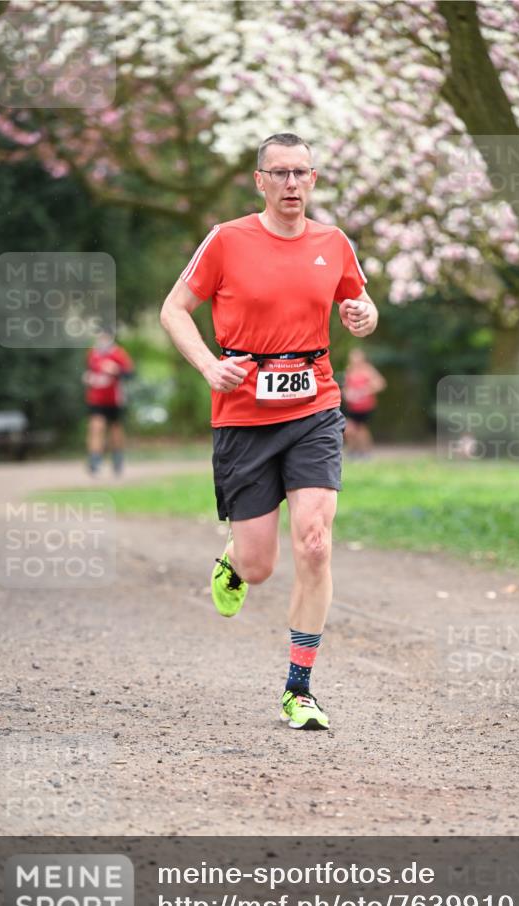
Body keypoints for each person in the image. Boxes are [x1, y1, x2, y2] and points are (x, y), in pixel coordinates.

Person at [160, 132, 377, 731]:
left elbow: (361, 305)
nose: (291, 183)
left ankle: (298, 688)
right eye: (279, 173)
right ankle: (235, 560)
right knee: (260, 566)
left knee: (315, 542)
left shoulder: (334, 243)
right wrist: (209, 366)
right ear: (260, 181)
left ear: (313, 179)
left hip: (315, 407)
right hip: (244, 417)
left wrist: (364, 315)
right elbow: (173, 310)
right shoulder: (226, 240)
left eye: (300, 172)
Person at [83, 330, 134, 476]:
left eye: (105, 337)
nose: (102, 340)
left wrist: (116, 370)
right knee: (96, 427)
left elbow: (130, 374)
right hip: (96, 399)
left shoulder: (118, 353)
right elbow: (90, 371)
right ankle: (94, 461)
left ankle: (117, 460)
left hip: (115, 399)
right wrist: (88, 377)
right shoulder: (92, 353)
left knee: (115, 431)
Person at [342, 347, 386, 457]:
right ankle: (353, 451)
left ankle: (365, 452)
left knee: (361, 429)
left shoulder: (368, 370)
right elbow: (346, 388)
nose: (355, 360)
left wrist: (365, 390)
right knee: (350, 429)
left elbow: (380, 384)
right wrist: (348, 394)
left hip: (366, 406)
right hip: (353, 406)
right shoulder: (349, 370)